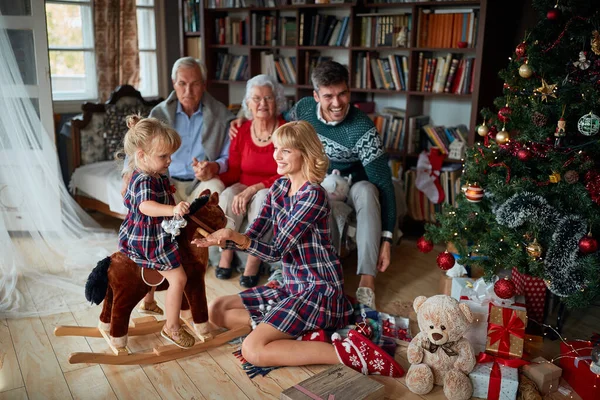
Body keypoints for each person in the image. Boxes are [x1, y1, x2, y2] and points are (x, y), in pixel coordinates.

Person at [193, 121, 403, 377]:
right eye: (276, 148)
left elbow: (276, 251)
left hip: (319, 291)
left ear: (305, 153)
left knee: (253, 350)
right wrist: (221, 239)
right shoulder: (278, 189)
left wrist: (235, 237)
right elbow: (253, 234)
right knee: (216, 310)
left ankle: (349, 353)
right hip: (289, 287)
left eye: (285, 151)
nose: (276, 156)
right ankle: (294, 332)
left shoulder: (313, 195)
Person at [231, 61, 396, 310]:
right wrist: (242, 118)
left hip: (354, 186)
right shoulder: (304, 109)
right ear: (316, 95)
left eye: (342, 94)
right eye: (328, 96)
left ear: (349, 92)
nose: (337, 103)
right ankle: (288, 274)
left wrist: (387, 239)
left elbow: (383, 183)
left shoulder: (363, 128)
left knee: (367, 190)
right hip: (318, 182)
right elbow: (273, 118)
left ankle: (366, 281)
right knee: (312, 197)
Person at [122, 57, 234, 315]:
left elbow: (228, 158)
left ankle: (211, 256)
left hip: (199, 181)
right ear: (174, 84)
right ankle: (167, 304)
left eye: (194, 84)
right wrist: (128, 177)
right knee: (159, 243)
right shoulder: (159, 114)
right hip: (167, 182)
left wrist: (213, 167)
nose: (188, 91)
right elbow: (139, 150)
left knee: (214, 191)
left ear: (203, 85)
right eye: (182, 84)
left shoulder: (220, 114)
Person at [119, 115, 195, 349]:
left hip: (144, 234)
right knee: (179, 277)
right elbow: (145, 206)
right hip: (148, 239)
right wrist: (172, 209)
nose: (170, 160)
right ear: (141, 155)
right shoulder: (144, 180)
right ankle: (171, 328)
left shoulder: (153, 173)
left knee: (154, 268)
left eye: (170, 155)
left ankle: (149, 301)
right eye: (163, 156)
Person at [214, 75, 286, 287]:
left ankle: (253, 261)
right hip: (244, 182)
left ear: (277, 101)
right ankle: (226, 254)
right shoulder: (241, 130)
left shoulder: (285, 130)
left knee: (264, 197)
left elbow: (287, 173)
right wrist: (212, 173)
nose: (262, 103)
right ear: (248, 104)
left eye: (268, 98)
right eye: (256, 98)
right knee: (227, 195)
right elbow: (235, 169)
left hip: (272, 186)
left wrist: (253, 189)